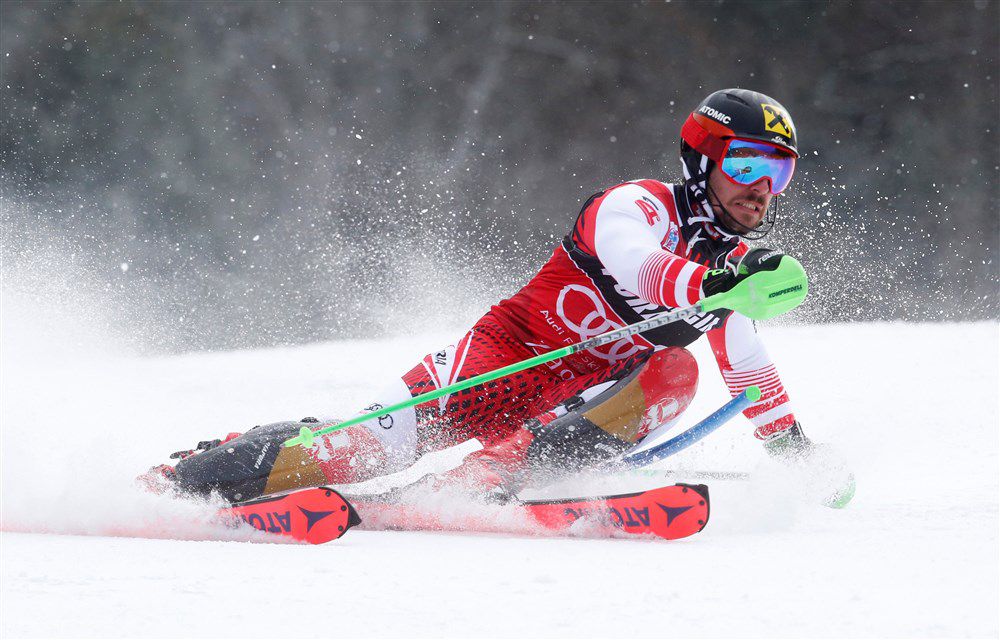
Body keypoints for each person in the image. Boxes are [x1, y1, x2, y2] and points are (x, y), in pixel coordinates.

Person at [142, 88, 823, 504]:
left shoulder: (735, 271)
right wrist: (716, 283)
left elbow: (750, 369)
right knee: (345, 457)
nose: (761, 188)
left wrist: (798, 459)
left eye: (779, 172)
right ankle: (182, 481)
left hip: (571, 404)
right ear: (702, 161)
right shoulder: (637, 206)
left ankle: (490, 478)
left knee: (679, 370)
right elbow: (639, 266)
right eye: (745, 163)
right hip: (500, 361)